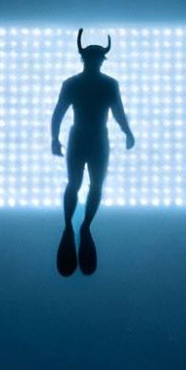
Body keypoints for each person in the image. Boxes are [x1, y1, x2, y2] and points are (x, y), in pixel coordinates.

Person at [50, 30, 135, 276]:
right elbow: (59, 113)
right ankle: (74, 226)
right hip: (89, 138)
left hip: (91, 138)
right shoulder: (98, 84)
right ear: (89, 60)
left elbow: (118, 112)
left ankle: (80, 226)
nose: (95, 62)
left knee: (90, 184)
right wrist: (54, 138)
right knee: (79, 183)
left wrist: (127, 132)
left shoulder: (88, 84)